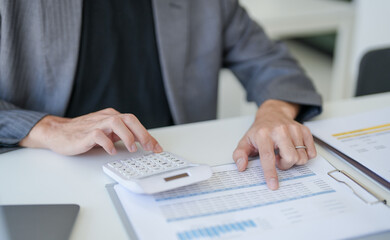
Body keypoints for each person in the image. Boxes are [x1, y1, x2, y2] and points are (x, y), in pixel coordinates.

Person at [0, 0, 322, 190]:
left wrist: (274, 111)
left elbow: (271, 63)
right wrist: (48, 128)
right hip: (49, 177)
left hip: (178, 173)